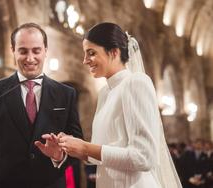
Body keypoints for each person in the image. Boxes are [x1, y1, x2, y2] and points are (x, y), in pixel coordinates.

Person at [52, 22, 182, 187]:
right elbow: (102, 152)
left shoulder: (136, 83)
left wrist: (85, 147)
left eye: (91, 53)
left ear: (114, 52)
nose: (85, 61)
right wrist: (69, 146)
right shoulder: (105, 93)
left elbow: (143, 157)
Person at [0, 22, 83, 188]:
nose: (30, 58)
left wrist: (59, 156)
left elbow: (78, 145)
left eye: (36, 50)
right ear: (13, 51)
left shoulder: (66, 94)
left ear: (45, 51)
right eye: (23, 51)